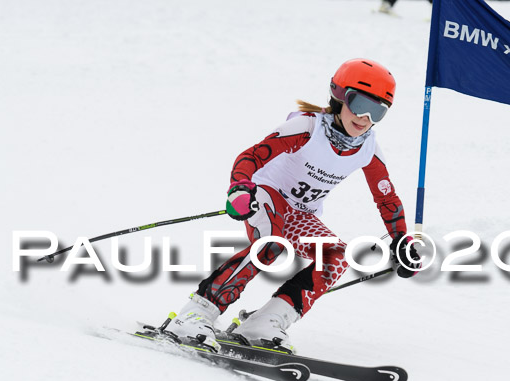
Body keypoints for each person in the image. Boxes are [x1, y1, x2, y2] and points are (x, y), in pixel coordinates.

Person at [164, 58, 420, 354]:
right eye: (359, 103)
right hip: (265, 194)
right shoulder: (307, 127)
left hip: (301, 212)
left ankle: (265, 322)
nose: (364, 117)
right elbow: (252, 156)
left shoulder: (368, 149)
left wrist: (402, 240)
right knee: (271, 243)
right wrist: (239, 187)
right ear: (338, 96)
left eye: (377, 110)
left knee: (336, 256)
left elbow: (386, 198)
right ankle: (196, 314)